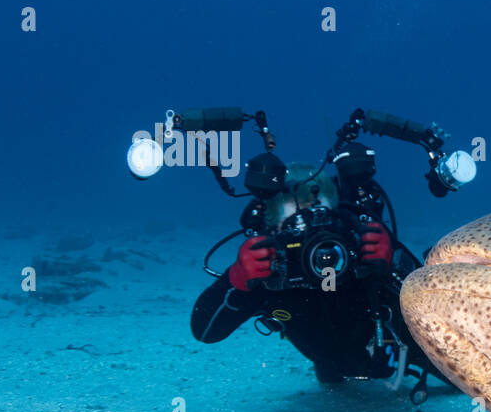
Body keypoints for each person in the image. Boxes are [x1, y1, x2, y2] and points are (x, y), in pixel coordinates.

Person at [190, 159, 446, 393]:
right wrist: (235, 281)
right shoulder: (270, 267)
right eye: (294, 226)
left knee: (469, 380)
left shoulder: (359, 248)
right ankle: (330, 368)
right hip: (327, 359)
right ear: (272, 227)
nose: (310, 237)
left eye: (321, 219)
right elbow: (205, 332)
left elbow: (438, 310)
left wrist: (393, 264)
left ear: (338, 214)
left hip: (404, 351)